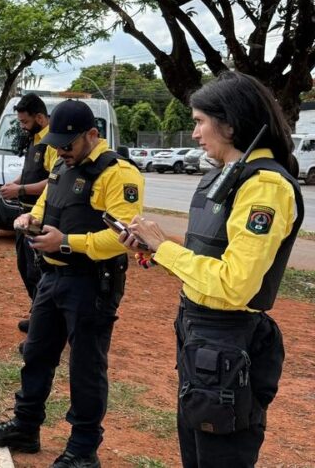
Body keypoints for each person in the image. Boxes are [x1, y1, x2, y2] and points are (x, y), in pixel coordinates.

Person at [119, 72, 303, 468]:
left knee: (220, 453)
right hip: (200, 335)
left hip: (228, 340)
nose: (195, 133)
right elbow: (212, 257)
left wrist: (166, 248)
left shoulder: (264, 186)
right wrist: (157, 247)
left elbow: (235, 284)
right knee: (197, 448)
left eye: (200, 121)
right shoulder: (222, 178)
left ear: (231, 124)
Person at [0, 99, 144, 468]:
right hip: (52, 277)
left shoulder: (118, 174)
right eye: (55, 145)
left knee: (85, 367)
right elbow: (46, 204)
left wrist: (68, 242)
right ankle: (26, 427)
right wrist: (29, 222)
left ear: (92, 135)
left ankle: (83, 450)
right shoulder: (63, 162)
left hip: (90, 283)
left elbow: (122, 238)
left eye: (67, 145)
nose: (60, 152)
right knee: (36, 354)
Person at [0, 93, 57, 334]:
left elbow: (55, 182)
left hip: (40, 217)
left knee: (38, 271)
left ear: (40, 117)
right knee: (25, 268)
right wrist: (14, 184)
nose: (22, 126)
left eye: (25, 122)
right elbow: (33, 171)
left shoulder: (52, 143)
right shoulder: (34, 139)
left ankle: (44, 324)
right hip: (24, 216)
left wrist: (20, 189)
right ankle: (38, 314)